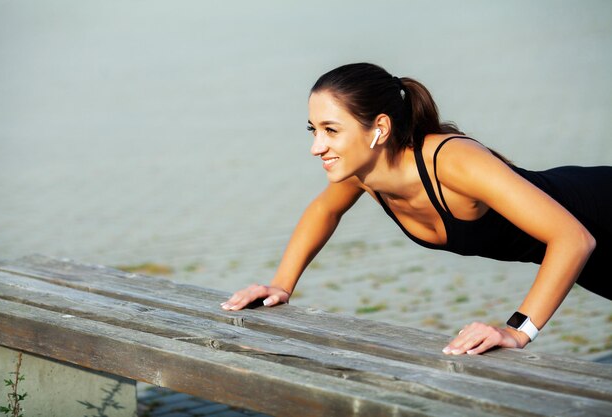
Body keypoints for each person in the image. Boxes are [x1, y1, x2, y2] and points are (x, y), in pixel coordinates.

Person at [221, 62, 612, 355]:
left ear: (380, 128)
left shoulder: (452, 161)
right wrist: (281, 285)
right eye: (313, 129)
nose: (316, 146)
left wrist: (515, 331)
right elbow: (324, 211)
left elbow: (572, 238)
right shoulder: (364, 172)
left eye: (331, 130)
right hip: (591, 258)